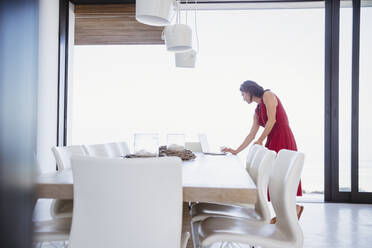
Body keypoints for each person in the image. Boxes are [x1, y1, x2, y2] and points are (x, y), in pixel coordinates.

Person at [222, 80, 304, 224]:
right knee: (273, 178)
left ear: (249, 91)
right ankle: (291, 210)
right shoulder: (257, 111)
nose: (243, 98)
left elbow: (272, 120)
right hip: (271, 139)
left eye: (243, 94)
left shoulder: (268, 95)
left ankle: (291, 210)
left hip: (282, 136)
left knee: (281, 176)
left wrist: (260, 140)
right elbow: (251, 134)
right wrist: (236, 150)